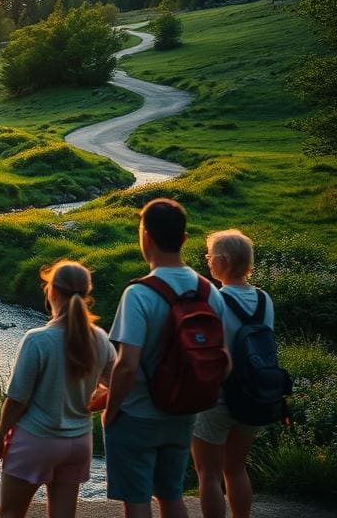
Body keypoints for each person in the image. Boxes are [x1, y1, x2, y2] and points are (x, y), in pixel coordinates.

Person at [103, 198, 226, 518]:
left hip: (138, 414)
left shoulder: (139, 293)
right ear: (184, 239)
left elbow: (127, 364)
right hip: (185, 413)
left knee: (138, 498)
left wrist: (111, 410)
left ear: (145, 237)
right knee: (171, 494)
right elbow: (224, 359)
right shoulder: (208, 290)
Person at [0, 260, 116, 518]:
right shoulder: (100, 338)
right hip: (78, 443)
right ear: (86, 295)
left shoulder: (37, 339)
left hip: (36, 440)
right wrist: (86, 406)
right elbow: (118, 386)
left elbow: (17, 400)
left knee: (11, 513)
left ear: (51, 291)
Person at [193, 229, 271, 518]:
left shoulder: (214, 300)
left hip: (218, 398)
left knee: (208, 473)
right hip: (255, 396)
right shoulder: (265, 299)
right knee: (236, 468)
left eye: (209, 256)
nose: (207, 261)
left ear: (223, 260)